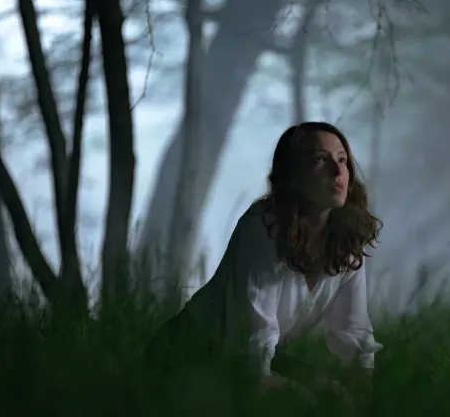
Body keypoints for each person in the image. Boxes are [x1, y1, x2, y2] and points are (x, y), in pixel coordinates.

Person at [147, 121, 383, 398]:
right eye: (321, 159)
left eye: (343, 160)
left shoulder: (346, 238)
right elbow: (253, 333)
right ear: (293, 173)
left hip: (247, 353)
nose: (337, 170)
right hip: (187, 351)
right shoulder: (264, 225)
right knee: (302, 400)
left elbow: (351, 329)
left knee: (330, 391)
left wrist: (364, 395)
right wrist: (278, 387)